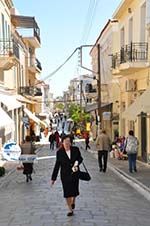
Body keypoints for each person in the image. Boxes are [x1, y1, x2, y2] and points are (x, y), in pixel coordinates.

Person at [51, 135, 83, 217]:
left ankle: (73, 201)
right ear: (62, 142)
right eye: (65, 142)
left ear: (71, 142)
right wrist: (53, 178)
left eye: (68, 141)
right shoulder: (59, 152)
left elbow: (80, 158)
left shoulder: (75, 150)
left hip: (75, 173)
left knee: (74, 191)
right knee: (67, 192)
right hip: (65, 175)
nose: (67, 143)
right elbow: (57, 165)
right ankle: (70, 209)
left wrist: (76, 163)